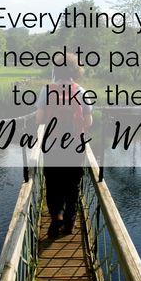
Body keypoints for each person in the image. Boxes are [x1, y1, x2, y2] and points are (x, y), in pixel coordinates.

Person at [36, 53, 92, 237]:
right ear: (76, 71)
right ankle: (70, 222)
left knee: (53, 183)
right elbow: (88, 121)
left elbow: (40, 119)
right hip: (75, 146)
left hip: (52, 145)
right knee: (72, 184)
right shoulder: (81, 91)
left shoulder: (46, 90)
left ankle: (56, 216)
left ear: (56, 70)